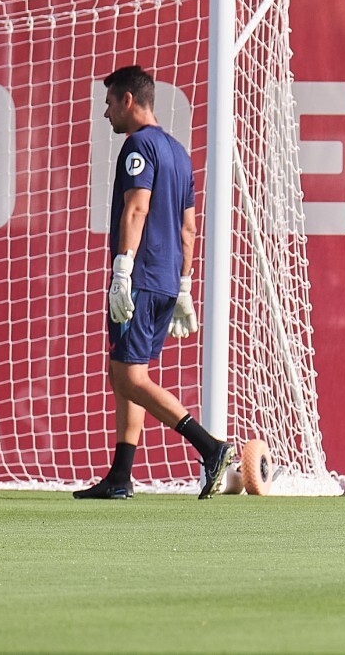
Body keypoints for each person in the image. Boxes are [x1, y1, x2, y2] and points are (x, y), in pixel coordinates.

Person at [74, 65, 235, 500]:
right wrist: (184, 286)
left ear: (128, 100)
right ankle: (120, 477)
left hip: (141, 278)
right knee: (128, 373)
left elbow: (136, 209)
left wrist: (121, 269)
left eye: (109, 103)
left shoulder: (137, 147)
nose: (106, 113)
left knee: (127, 377)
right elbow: (188, 228)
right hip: (165, 282)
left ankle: (210, 446)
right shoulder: (180, 154)